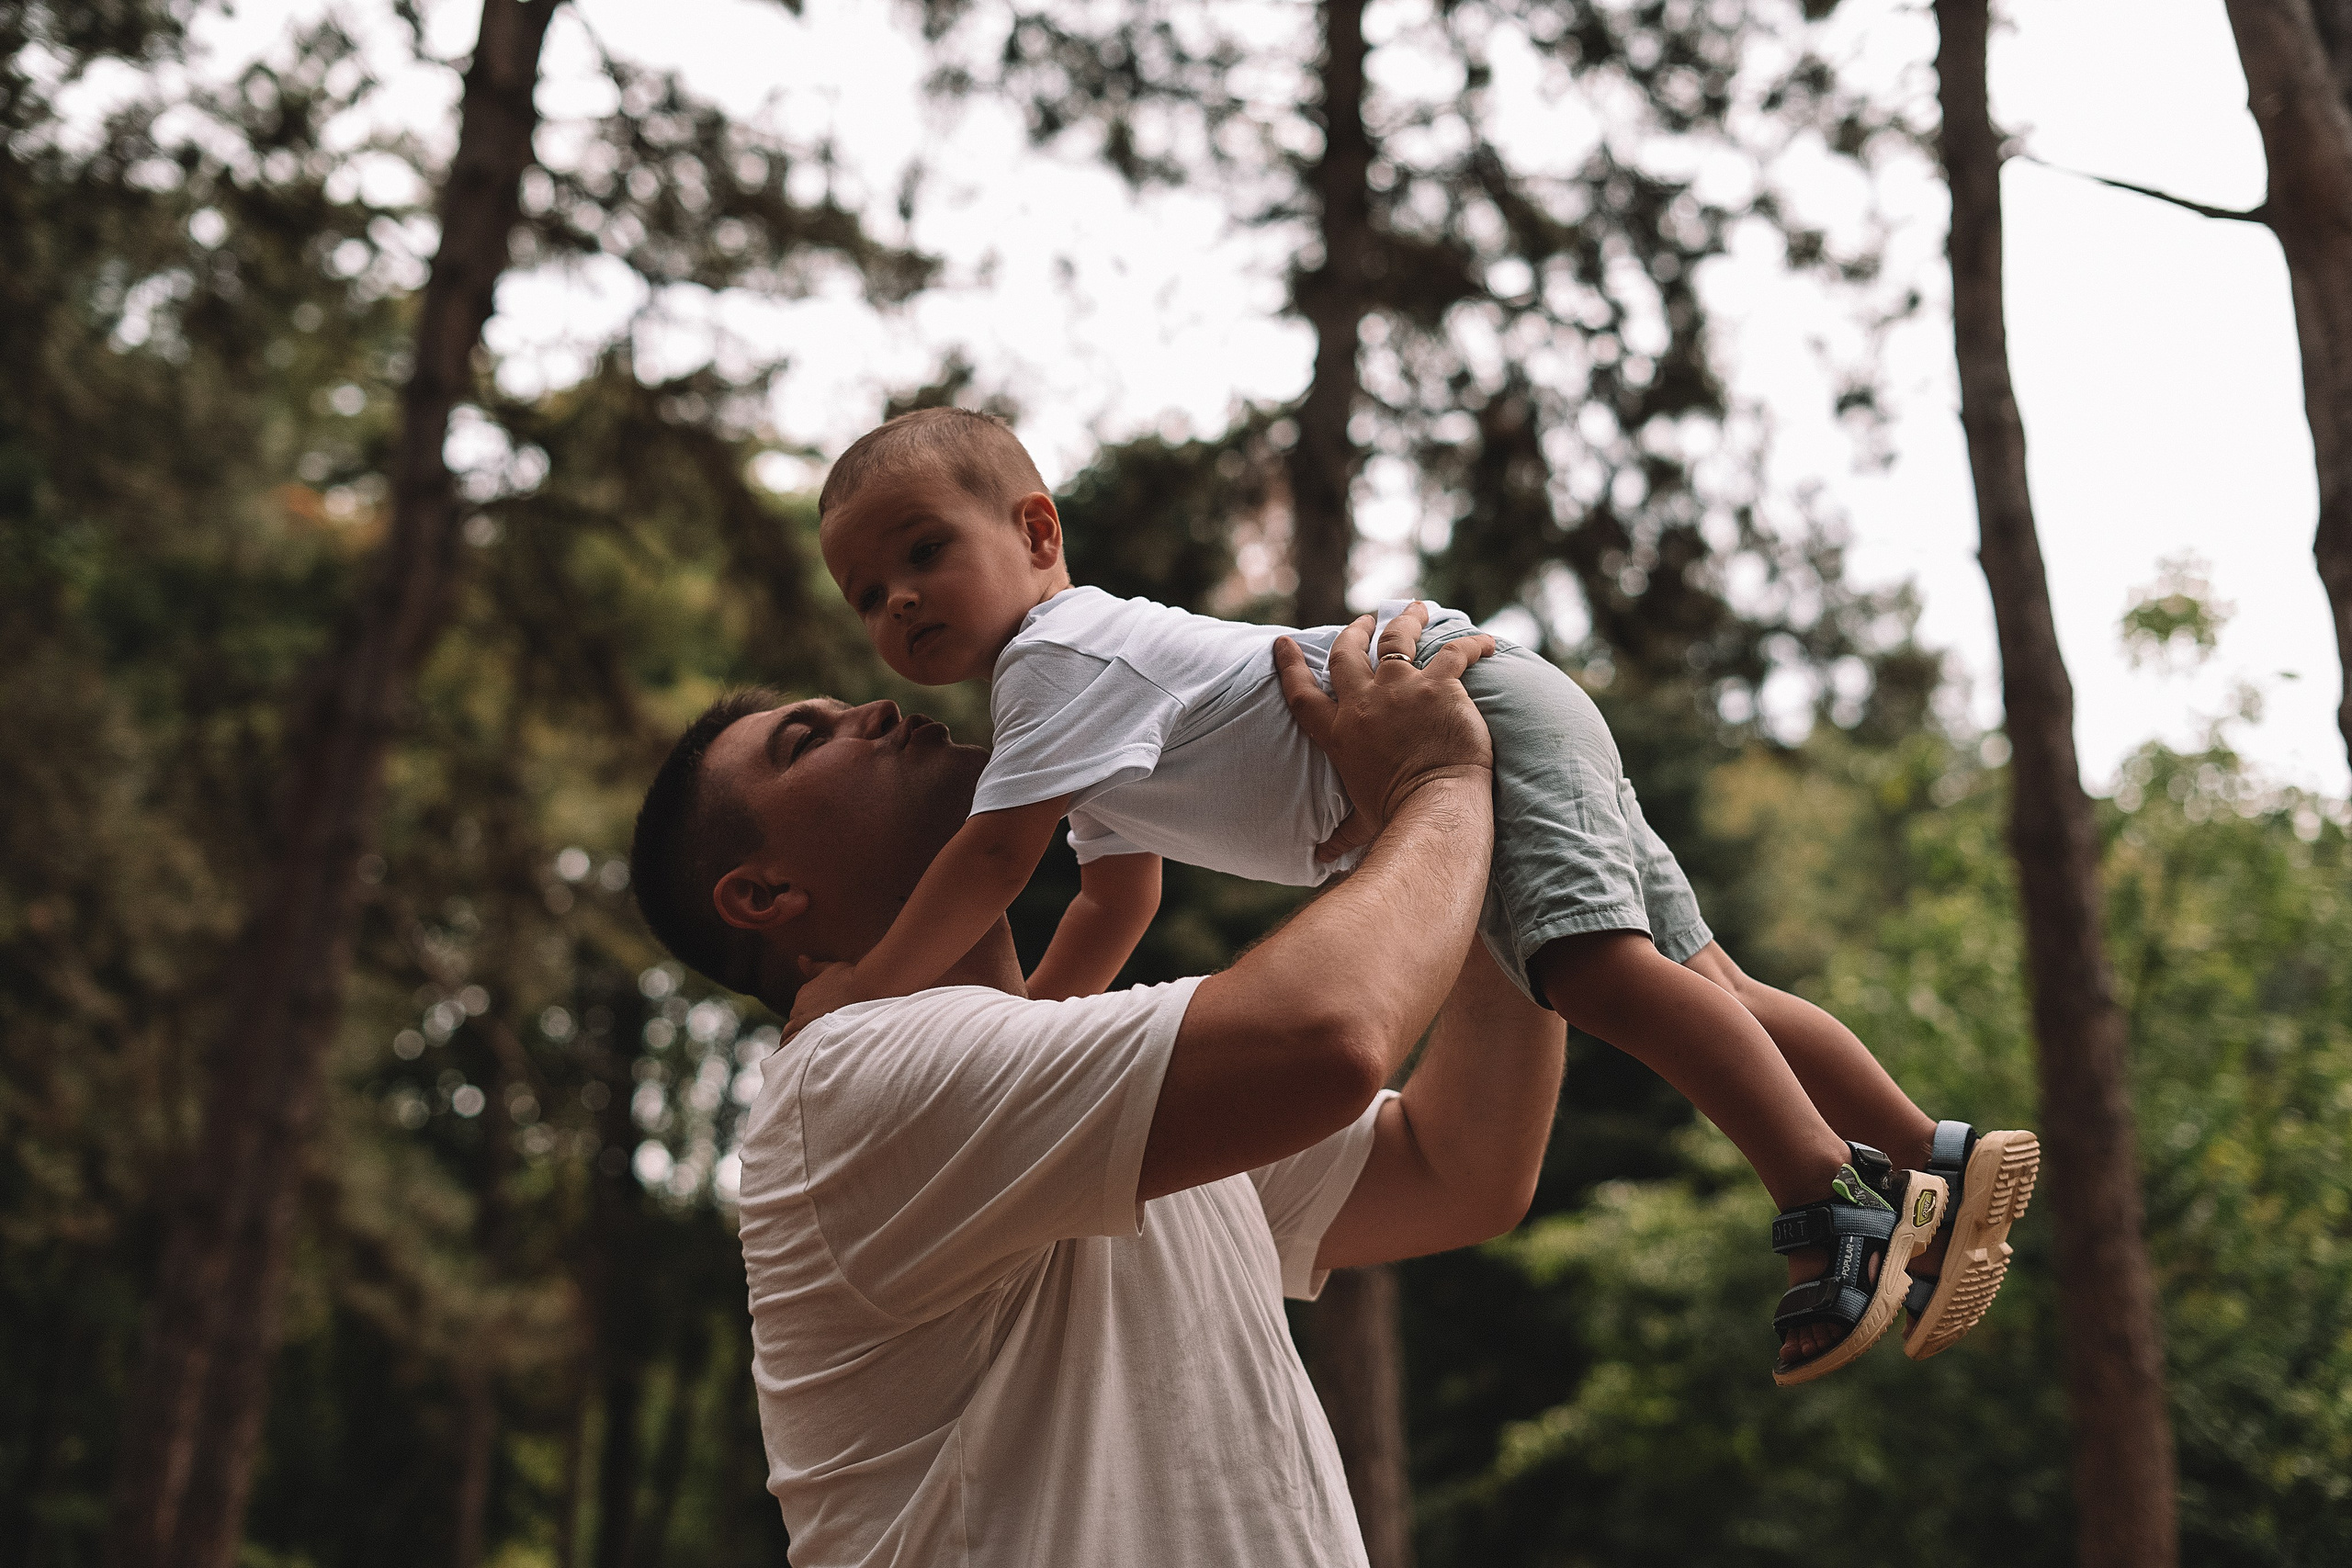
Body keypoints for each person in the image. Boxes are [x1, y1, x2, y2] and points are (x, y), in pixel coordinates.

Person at [797, 406, 2040, 1384]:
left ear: (1033, 529)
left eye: (924, 551)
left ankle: (1831, 1199)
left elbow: (994, 861)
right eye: (867, 593)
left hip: (1462, 704)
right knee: (1707, 979)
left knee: (1595, 975)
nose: (898, 598)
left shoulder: (1055, 661)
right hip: (1493, 693)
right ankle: (1933, 1147)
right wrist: (1026, 1028)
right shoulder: (1073, 705)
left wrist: (872, 981)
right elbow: (1112, 900)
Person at [630, 609, 1563, 1564]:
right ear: (763, 895)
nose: (873, 709)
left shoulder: (1070, 1092)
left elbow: (1456, 1168)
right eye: (806, 742)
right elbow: (1327, 1035)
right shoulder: (844, 1080)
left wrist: (1491, 847)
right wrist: (1439, 786)